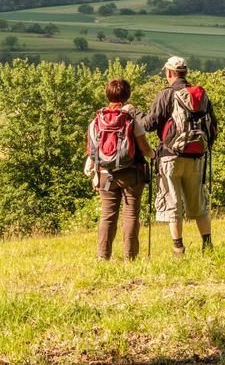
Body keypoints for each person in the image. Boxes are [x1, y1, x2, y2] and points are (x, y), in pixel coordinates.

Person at [133, 56, 217, 256]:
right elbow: (213, 127)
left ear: (169, 73)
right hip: (197, 157)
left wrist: (134, 112)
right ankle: (207, 245)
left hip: (170, 156)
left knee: (173, 202)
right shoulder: (200, 95)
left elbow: (148, 124)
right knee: (198, 202)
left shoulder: (166, 95)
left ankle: (178, 247)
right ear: (185, 73)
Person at [88, 78, 155, 260]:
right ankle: (130, 258)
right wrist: (155, 155)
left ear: (107, 95)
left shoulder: (96, 121)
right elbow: (145, 149)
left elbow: (92, 150)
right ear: (127, 95)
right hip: (131, 173)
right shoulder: (131, 121)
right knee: (131, 215)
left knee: (107, 216)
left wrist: (93, 172)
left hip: (104, 174)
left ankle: (103, 257)